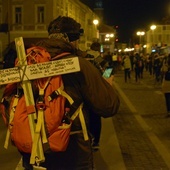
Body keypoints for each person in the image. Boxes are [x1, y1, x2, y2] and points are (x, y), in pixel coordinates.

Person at [15, 16, 120, 170]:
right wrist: (107, 85)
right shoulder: (80, 65)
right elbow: (108, 106)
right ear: (74, 40)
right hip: (72, 150)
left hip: (33, 146)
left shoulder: (29, 62)